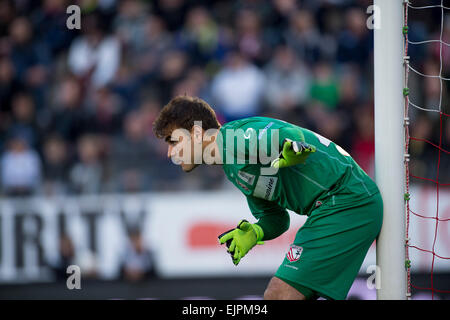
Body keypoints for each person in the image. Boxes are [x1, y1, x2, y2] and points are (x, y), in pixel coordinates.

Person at [152, 95, 383, 300]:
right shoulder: (231, 166)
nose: (170, 152)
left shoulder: (234, 137)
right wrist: (256, 232)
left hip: (346, 200)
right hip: (334, 206)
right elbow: (276, 218)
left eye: (173, 141)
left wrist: (291, 148)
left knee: (279, 294)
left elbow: (290, 135)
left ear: (197, 132)